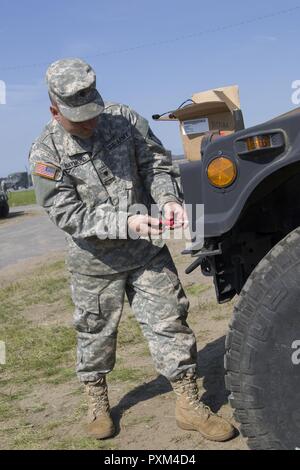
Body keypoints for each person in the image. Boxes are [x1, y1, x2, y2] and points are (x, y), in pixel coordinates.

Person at [29, 58, 234, 442]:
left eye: (93, 113)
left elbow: (155, 166)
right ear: (54, 111)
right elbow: (69, 215)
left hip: (146, 251)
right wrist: (127, 222)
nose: (90, 124)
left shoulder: (123, 119)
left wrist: (168, 200)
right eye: (79, 119)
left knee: (170, 321)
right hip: (95, 263)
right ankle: (97, 403)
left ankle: (188, 403)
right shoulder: (45, 154)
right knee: (94, 333)